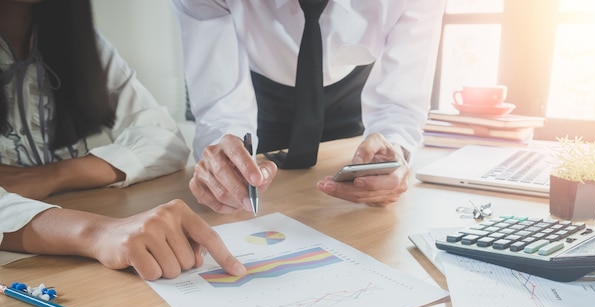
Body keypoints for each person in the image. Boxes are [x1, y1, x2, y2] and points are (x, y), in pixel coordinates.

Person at [0, 0, 246, 280]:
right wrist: (97, 232)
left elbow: (164, 138)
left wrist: (51, 176)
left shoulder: (73, 36)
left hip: (72, 261)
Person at [172, 0, 445, 213]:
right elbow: (221, 107)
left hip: (350, 106)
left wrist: (393, 147)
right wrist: (224, 161)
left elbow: (400, 102)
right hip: (260, 103)